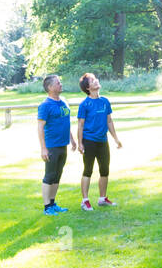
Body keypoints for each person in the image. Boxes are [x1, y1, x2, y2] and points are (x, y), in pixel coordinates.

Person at [76, 71, 122, 211]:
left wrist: (116, 139)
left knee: (104, 170)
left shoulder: (105, 101)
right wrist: (80, 143)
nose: (96, 81)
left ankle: (102, 198)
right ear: (88, 88)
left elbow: (109, 121)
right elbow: (81, 125)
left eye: (96, 79)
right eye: (92, 80)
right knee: (88, 170)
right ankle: (85, 201)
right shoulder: (84, 104)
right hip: (89, 141)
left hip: (103, 141)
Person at [37, 74, 76, 215]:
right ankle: (47, 207)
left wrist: (71, 139)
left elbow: (65, 122)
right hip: (51, 146)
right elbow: (40, 127)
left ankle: (53, 203)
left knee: (58, 175)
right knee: (49, 175)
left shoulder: (63, 101)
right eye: (58, 83)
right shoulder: (45, 105)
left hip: (63, 144)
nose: (61, 84)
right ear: (50, 87)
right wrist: (43, 148)